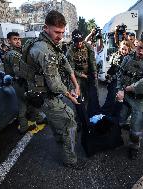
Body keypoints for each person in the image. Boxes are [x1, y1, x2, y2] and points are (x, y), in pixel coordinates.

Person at [26, 10, 85, 170]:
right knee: (69, 120)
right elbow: (54, 84)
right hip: (44, 96)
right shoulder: (44, 50)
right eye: (57, 32)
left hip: (46, 93)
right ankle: (70, 160)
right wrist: (71, 96)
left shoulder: (52, 44)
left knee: (59, 121)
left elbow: (66, 64)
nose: (60, 36)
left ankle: (61, 139)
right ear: (46, 28)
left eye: (62, 32)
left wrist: (76, 85)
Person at [116, 30, 143, 160]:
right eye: (139, 47)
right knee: (121, 121)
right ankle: (127, 125)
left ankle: (134, 146)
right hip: (126, 98)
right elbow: (119, 75)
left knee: (136, 130)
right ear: (136, 43)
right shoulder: (128, 57)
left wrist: (126, 88)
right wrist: (119, 89)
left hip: (140, 101)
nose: (141, 52)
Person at [4, 32, 39, 134]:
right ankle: (24, 126)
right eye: (15, 39)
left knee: (30, 101)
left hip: (21, 82)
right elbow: (19, 71)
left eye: (19, 39)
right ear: (8, 41)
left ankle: (36, 118)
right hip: (20, 82)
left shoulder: (18, 52)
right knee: (23, 104)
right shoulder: (13, 54)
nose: (18, 41)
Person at [67, 29, 98, 107]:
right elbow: (71, 70)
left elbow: (92, 61)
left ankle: (91, 109)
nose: (79, 43)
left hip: (88, 72)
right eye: (77, 42)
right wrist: (83, 76)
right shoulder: (70, 51)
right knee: (78, 94)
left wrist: (94, 74)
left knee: (92, 92)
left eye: (81, 41)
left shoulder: (88, 46)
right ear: (74, 41)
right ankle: (79, 110)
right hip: (77, 74)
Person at [102, 40, 132, 115]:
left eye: (125, 49)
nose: (124, 51)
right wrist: (109, 76)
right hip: (113, 81)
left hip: (123, 82)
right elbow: (111, 67)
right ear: (119, 48)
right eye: (122, 49)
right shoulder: (115, 55)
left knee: (121, 100)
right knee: (111, 98)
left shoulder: (130, 58)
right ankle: (105, 114)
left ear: (128, 50)